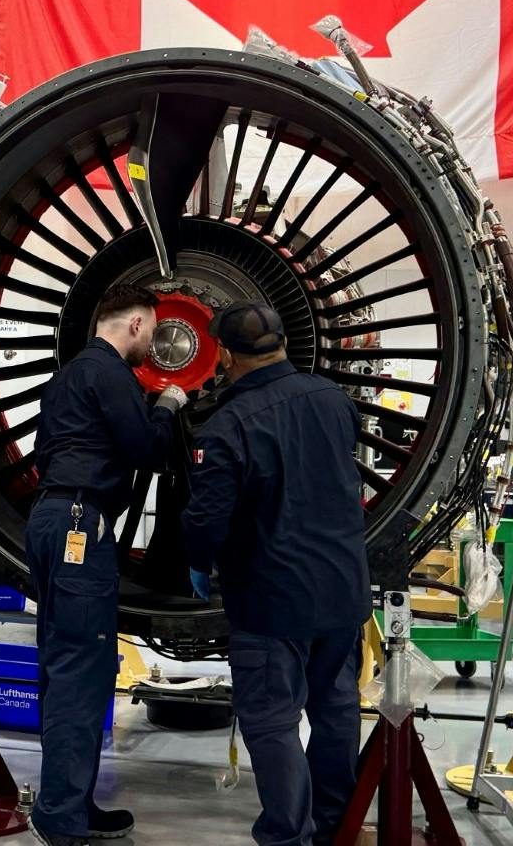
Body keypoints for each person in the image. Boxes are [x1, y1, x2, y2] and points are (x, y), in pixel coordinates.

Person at [180, 303, 369, 846]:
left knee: (271, 720)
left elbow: (208, 520)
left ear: (223, 354)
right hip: (341, 592)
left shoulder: (228, 425)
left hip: (273, 600)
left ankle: (288, 836)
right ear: (284, 341)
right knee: (335, 711)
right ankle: (335, 825)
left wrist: (196, 559)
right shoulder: (334, 401)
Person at [25, 284, 187, 846]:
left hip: (51, 520)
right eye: (156, 332)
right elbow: (144, 449)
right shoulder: (112, 373)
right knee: (80, 672)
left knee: (62, 667)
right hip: (79, 526)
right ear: (138, 325)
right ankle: (61, 817)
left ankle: (71, 802)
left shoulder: (70, 375)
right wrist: (166, 407)